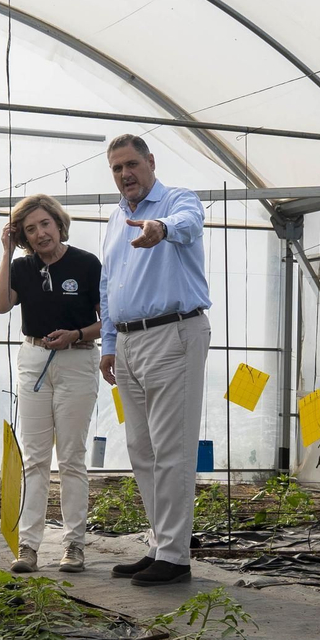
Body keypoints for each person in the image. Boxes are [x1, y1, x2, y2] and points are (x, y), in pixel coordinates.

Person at [98, 133, 211, 586]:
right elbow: (109, 287)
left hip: (173, 333)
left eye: (131, 164)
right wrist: (108, 344)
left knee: (172, 449)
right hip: (128, 341)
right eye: (116, 169)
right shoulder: (114, 218)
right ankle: (161, 542)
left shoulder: (177, 200)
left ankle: (175, 556)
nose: (125, 174)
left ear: (150, 162)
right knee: (142, 450)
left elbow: (189, 222)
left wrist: (160, 228)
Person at [0, 194, 102, 574]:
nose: (40, 234)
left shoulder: (86, 264)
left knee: (71, 457)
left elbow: (110, 318)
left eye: (45, 224)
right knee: (35, 458)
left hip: (78, 359)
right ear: (22, 235)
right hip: (35, 359)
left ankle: (74, 545)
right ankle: (29, 547)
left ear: (58, 223)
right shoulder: (22, 268)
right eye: (30, 229)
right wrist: (7, 254)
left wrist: (77, 334)